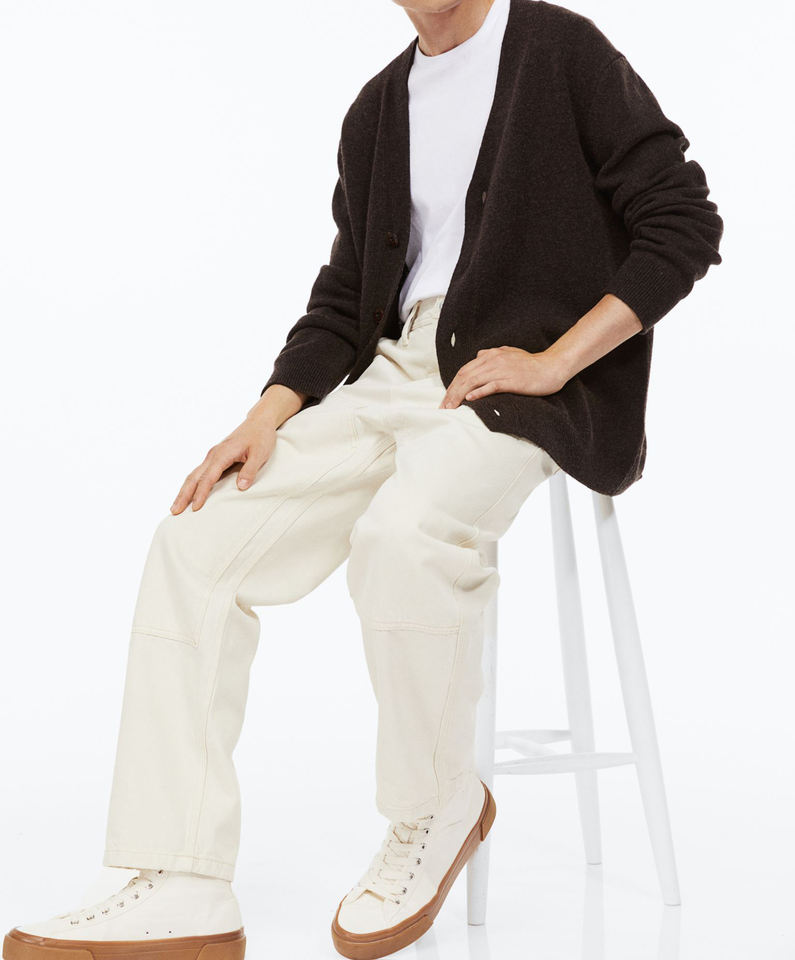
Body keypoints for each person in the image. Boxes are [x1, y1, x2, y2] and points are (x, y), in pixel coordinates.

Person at [2, 0, 723, 958]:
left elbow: (682, 221)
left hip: (521, 385)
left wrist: (555, 360)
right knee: (196, 541)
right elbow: (347, 296)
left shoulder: (558, 49)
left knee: (401, 535)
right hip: (393, 373)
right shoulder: (378, 107)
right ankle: (179, 877)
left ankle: (436, 806)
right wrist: (265, 415)